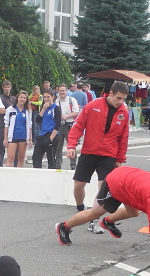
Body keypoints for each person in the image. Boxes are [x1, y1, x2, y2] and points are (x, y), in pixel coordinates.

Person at [55, 167, 150, 264]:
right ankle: (64, 227)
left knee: (134, 212)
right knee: (94, 213)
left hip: (130, 185)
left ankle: (108, 222)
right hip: (116, 181)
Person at [66, 81, 130, 213]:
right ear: (110, 93)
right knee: (78, 184)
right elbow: (78, 125)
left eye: (123, 99)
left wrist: (120, 159)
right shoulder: (93, 105)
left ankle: (94, 216)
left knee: (103, 188)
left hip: (108, 154)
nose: (120, 102)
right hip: (89, 151)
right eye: (118, 98)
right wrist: (71, 145)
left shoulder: (124, 112)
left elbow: (124, 138)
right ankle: (80, 208)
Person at [3, 89, 33, 168]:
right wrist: (5, 138)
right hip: (13, 137)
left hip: (23, 137)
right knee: (10, 158)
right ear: (17, 98)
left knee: (21, 157)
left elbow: (30, 125)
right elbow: (6, 125)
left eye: (24, 98)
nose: (22, 99)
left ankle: (20, 173)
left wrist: (30, 139)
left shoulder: (28, 111)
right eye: (21, 97)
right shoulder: (10, 109)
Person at [54, 84, 80, 169]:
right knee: (58, 147)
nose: (62, 92)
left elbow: (76, 112)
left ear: (66, 91)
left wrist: (66, 116)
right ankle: (58, 166)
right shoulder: (56, 101)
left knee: (71, 146)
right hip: (59, 126)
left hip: (69, 125)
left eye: (63, 90)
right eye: (60, 91)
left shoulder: (72, 100)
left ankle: (73, 166)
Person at [32, 89, 60, 169]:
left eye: (48, 97)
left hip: (51, 134)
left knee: (51, 159)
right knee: (36, 157)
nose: (46, 99)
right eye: (45, 97)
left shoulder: (56, 108)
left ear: (52, 97)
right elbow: (38, 120)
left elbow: (58, 124)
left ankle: (52, 173)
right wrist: (43, 109)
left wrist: (51, 137)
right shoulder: (44, 108)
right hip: (43, 134)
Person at [0, 80, 14, 167]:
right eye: (5, 87)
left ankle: (14, 164)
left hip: (13, 125)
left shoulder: (13, 98)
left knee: (13, 145)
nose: (7, 89)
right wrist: (11, 110)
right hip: (3, 125)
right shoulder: (0, 98)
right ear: (3, 88)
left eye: (8, 87)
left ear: (10, 87)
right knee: (1, 146)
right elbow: (2, 111)